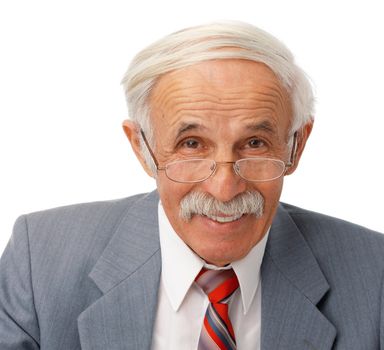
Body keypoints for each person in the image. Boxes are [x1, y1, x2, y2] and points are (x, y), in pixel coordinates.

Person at [0, 21, 383, 350]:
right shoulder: (40, 263)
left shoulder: (374, 274)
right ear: (142, 148)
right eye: (192, 145)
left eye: (254, 144)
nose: (224, 188)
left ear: (296, 146)